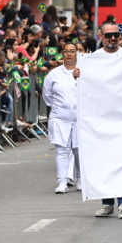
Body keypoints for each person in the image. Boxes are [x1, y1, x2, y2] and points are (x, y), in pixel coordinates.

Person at [93, 21, 122, 219]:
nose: (112, 38)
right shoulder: (92, 59)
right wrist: (79, 76)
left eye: (116, 35)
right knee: (104, 162)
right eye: (108, 35)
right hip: (101, 120)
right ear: (100, 36)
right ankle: (107, 203)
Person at [42, 43, 80, 194]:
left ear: (76, 53)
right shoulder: (54, 74)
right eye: (66, 51)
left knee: (78, 150)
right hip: (59, 117)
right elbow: (47, 95)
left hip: (79, 117)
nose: (69, 54)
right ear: (62, 53)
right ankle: (62, 181)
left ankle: (80, 179)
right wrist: (60, 107)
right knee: (61, 150)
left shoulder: (83, 72)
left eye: (72, 51)